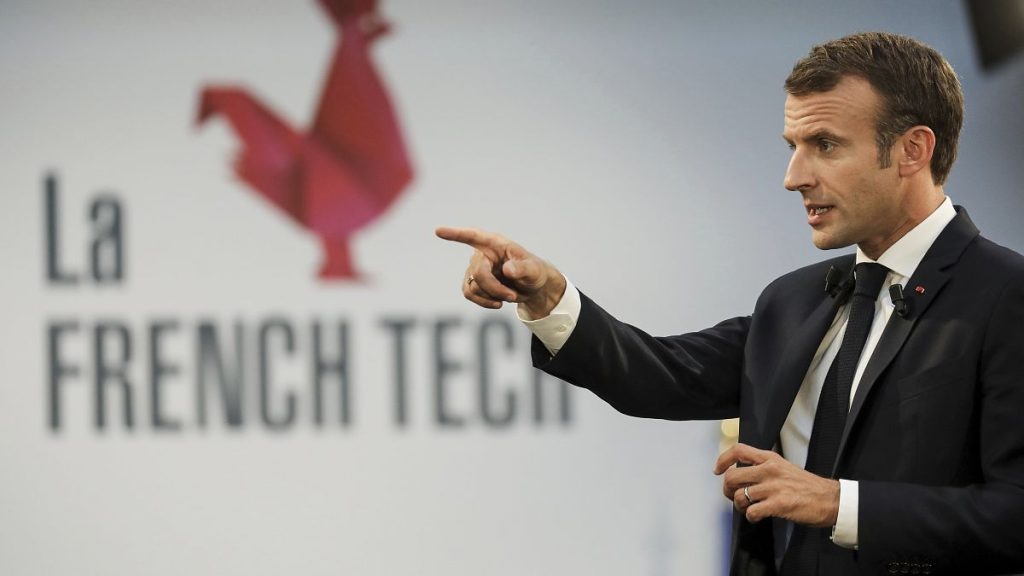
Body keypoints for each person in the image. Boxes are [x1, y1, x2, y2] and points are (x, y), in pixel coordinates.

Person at [436, 32, 1024, 576]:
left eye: (824, 145)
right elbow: (660, 377)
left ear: (913, 150)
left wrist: (838, 503)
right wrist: (549, 297)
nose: (794, 176)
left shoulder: (1006, 295)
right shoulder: (792, 300)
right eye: (792, 146)